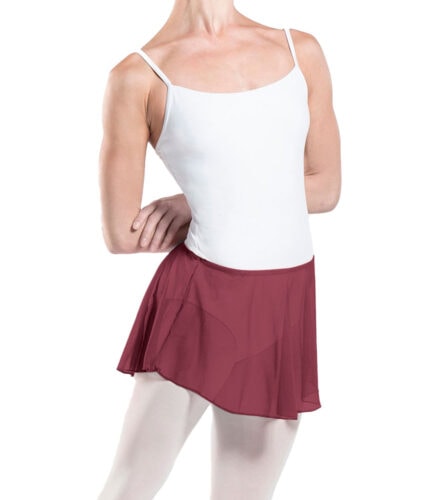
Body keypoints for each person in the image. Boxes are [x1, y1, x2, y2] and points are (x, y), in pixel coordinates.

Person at [97, 0, 341, 498]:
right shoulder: (138, 77)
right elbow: (122, 233)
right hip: (200, 300)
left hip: (283, 304)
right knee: (129, 488)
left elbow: (324, 187)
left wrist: (196, 201)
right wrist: (208, 203)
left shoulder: (301, 51)